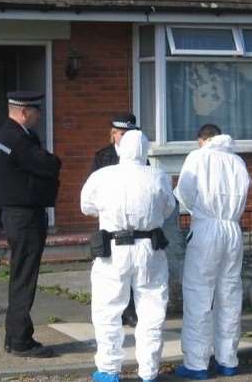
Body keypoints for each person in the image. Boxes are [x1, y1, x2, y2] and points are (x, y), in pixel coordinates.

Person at [81, 130, 176, 382]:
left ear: (119, 148)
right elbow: (169, 208)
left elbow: (86, 206)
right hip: (149, 247)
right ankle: (148, 371)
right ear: (146, 150)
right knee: (152, 309)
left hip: (112, 249)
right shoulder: (158, 176)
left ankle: (109, 370)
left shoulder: (102, 176)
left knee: (107, 309)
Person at [174, 124, 251, 380]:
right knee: (229, 293)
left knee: (199, 293)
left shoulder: (198, 157)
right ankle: (228, 359)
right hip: (232, 229)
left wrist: (196, 208)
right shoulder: (237, 161)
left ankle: (196, 363)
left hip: (206, 226)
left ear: (202, 140)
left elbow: (184, 191)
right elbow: (246, 191)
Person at [0, 91, 61, 358]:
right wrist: (52, 162)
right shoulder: (17, 139)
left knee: (21, 276)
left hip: (19, 215)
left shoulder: (10, 135)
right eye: (36, 110)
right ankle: (20, 340)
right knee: (24, 278)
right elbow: (49, 163)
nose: (40, 115)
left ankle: (17, 335)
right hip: (24, 217)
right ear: (24, 112)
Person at [91, 113, 139, 327]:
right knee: (110, 270)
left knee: (131, 268)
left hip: (133, 221)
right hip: (111, 220)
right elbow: (93, 189)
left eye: (128, 134)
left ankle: (130, 310)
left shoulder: (140, 156)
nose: (123, 138)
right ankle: (113, 312)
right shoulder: (102, 156)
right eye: (120, 133)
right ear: (113, 134)